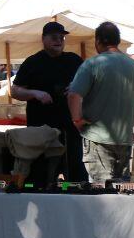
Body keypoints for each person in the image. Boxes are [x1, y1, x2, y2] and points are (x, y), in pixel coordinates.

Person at [68, 21, 134, 184]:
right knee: (120, 190)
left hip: (98, 139)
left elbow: (74, 95)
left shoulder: (92, 64)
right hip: (124, 139)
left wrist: (77, 120)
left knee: (101, 192)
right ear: (117, 40)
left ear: (98, 41)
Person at [10, 22, 87, 183]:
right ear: (43, 39)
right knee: (40, 177)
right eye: (54, 37)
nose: (59, 40)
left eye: (62, 37)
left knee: (75, 176)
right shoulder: (33, 62)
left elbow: (91, 86)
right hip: (40, 130)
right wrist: (34, 93)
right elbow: (15, 91)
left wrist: (77, 87)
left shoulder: (74, 60)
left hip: (70, 129)